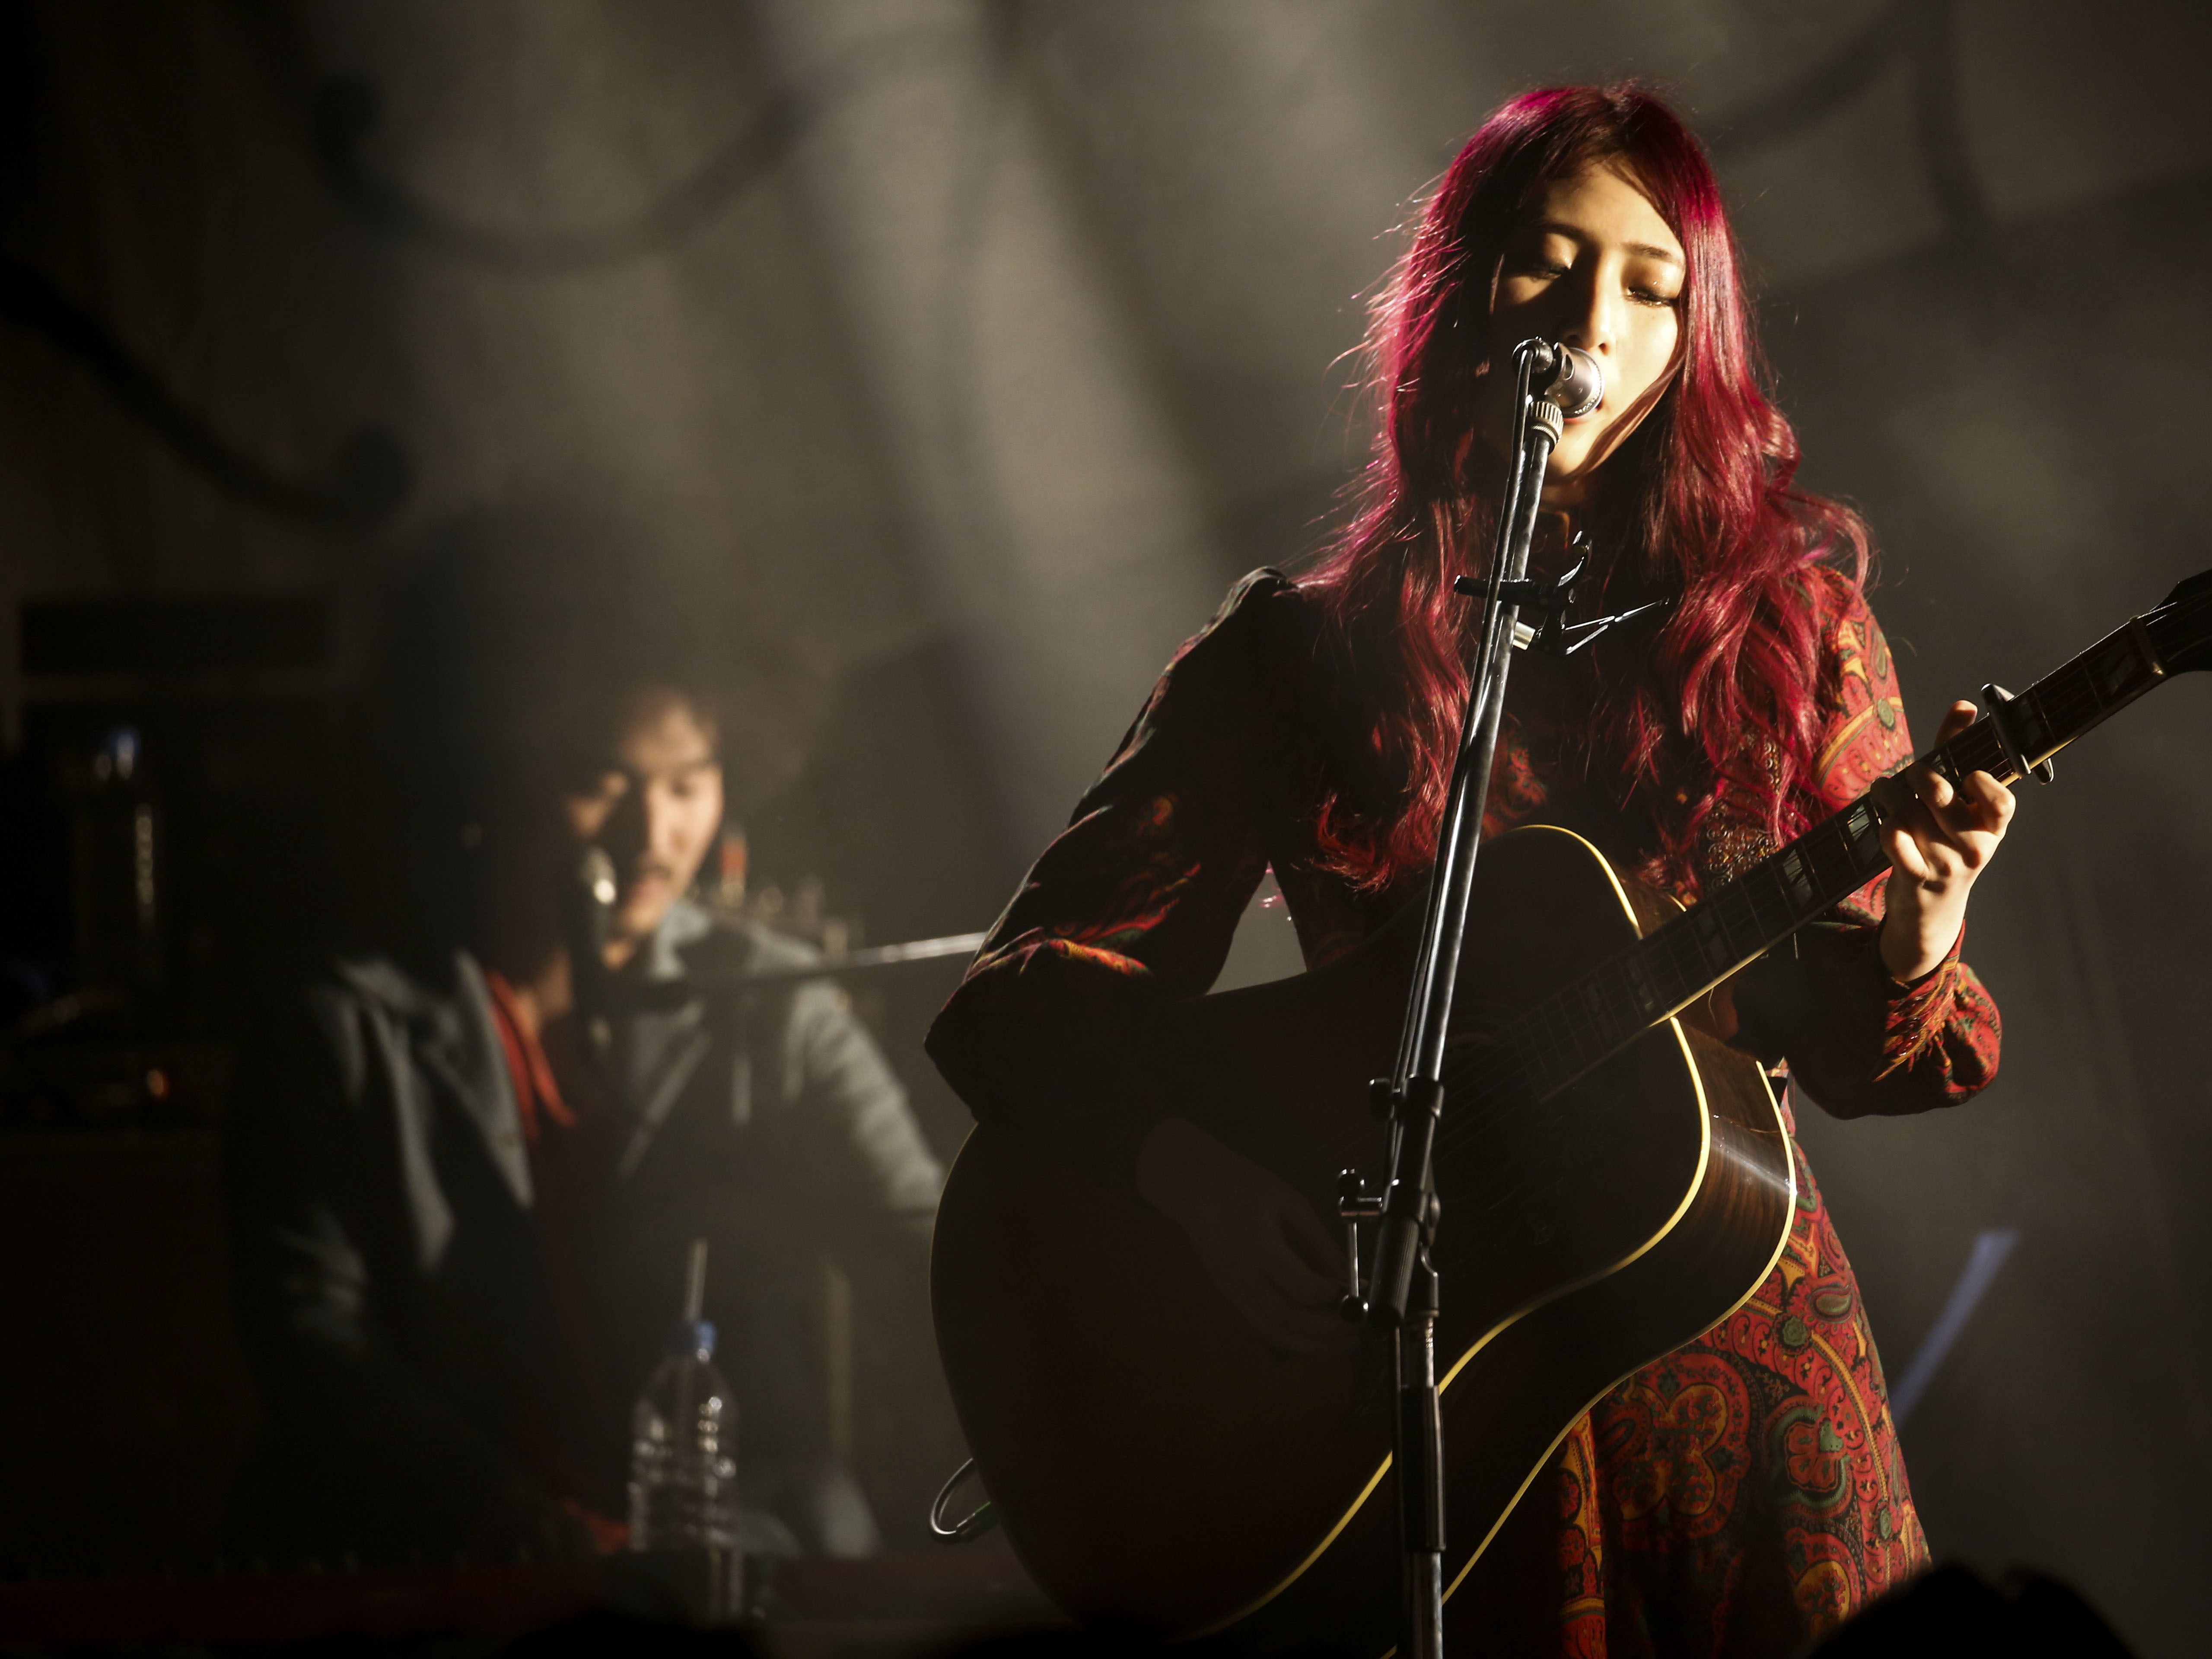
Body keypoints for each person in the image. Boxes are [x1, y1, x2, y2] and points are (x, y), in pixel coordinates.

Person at [926, 85, 2011, 1654]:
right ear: (1460, 298)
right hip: (1428, 1408)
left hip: (1738, 1374)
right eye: (1548, 265)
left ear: (1693, 342)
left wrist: (1918, 937)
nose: (1593, 319)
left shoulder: (1789, 631)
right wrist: (1197, 1178)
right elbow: (1018, 1004)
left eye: (1651, 288)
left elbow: (1887, 1056)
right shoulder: (1294, 664)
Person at [223, 524, 943, 1562]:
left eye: (690, 783)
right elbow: (313, 1348)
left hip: (731, 1555)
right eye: (602, 781)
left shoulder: (772, 1005)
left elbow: (922, 1244)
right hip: (425, 1573)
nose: (654, 834)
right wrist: (522, 1530)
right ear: (484, 769)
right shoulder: (337, 1025)